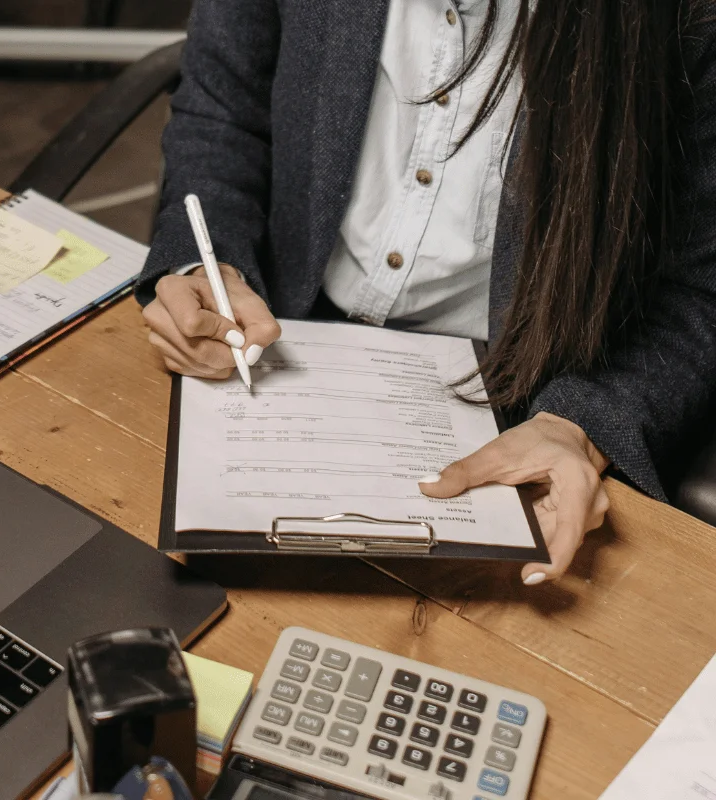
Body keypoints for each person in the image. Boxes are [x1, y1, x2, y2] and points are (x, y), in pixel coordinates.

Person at [136, 0, 716, 585]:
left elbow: (700, 290)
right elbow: (222, 113)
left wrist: (583, 425)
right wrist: (205, 264)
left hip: (520, 405)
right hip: (276, 344)